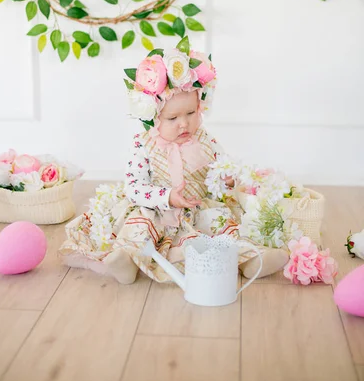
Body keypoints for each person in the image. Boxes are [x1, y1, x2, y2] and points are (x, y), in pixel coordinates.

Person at [59, 38, 288, 284]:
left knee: (222, 227)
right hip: (156, 208)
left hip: (197, 207)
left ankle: (250, 260)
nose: (184, 123)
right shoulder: (143, 144)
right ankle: (126, 260)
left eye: (191, 113)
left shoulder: (204, 139)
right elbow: (134, 187)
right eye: (172, 118)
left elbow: (222, 169)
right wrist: (166, 196)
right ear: (153, 117)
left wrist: (227, 179)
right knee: (140, 225)